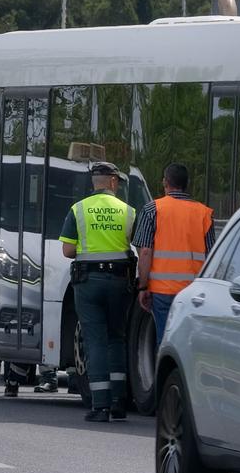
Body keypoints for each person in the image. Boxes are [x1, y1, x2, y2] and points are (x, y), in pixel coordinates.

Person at [60, 161, 137, 422]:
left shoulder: (78, 210)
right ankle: (119, 402)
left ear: (95, 182)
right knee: (117, 338)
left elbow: (68, 251)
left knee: (94, 341)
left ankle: (100, 406)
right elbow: (138, 244)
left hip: (88, 282)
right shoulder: (128, 211)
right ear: (114, 182)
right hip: (119, 281)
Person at [134, 163, 215, 348]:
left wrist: (143, 286)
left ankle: (165, 376)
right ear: (187, 184)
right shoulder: (204, 213)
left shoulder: (152, 209)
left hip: (162, 292)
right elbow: (211, 255)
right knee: (190, 344)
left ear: (165, 182)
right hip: (193, 293)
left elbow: (145, 252)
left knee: (165, 342)